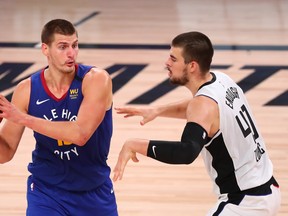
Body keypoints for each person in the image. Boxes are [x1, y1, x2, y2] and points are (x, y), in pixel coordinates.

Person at [113, 31, 281, 215]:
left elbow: (186, 152)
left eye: (173, 59)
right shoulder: (221, 80)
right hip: (268, 189)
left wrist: (135, 144)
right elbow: (200, 109)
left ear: (192, 66)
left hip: (244, 203)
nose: (167, 63)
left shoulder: (202, 104)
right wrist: (157, 110)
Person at [0, 19, 118, 216]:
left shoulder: (96, 79)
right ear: (45, 49)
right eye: (62, 47)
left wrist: (22, 118)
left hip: (93, 192)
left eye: (75, 45)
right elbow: (5, 153)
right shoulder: (27, 90)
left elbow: (80, 134)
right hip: (46, 192)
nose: (71, 53)